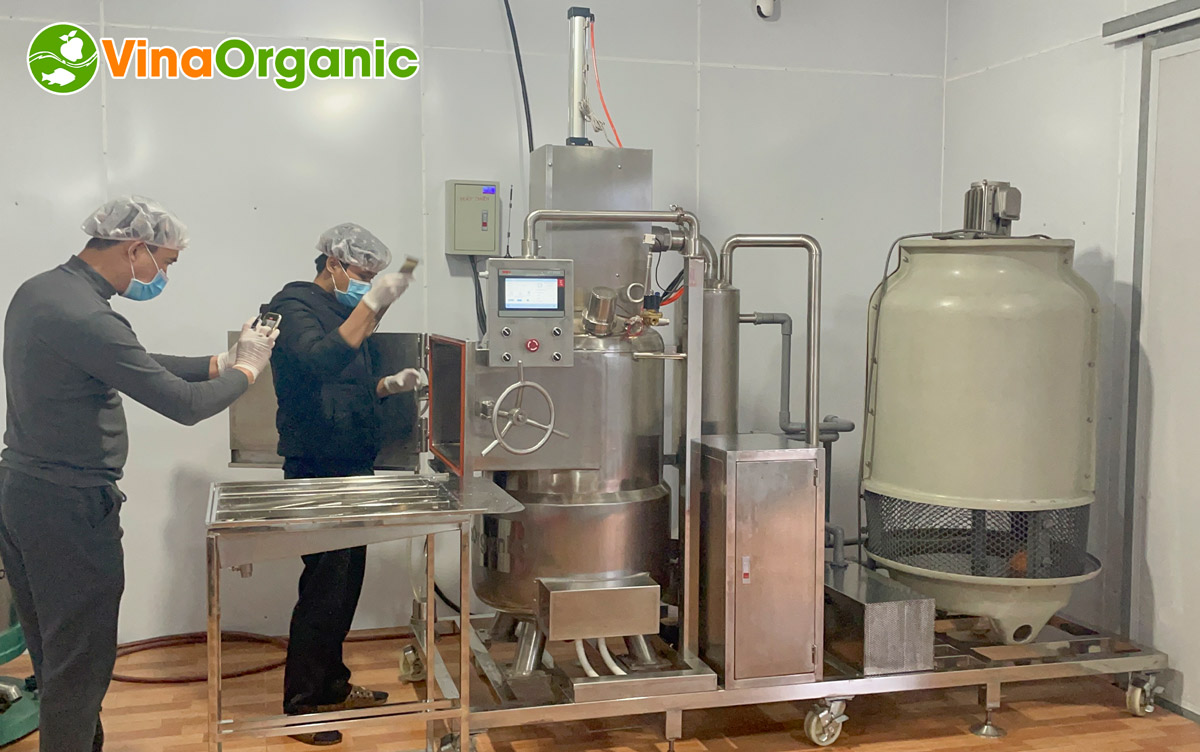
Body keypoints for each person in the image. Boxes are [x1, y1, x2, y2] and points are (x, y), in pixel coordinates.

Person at [0, 196, 278, 752]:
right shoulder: (86, 315)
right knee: (80, 667)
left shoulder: (43, 292)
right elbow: (184, 405)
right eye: (165, 263)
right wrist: (247, 370)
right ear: (135, 249)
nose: (163, 276)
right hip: (69, 508)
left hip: (24, 493)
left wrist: (216, 363)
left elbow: (130, 360)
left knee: (58, 658)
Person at [267, 223, 419, 746]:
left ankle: (332, 685)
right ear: (332, 263)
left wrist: (388, 385)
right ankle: (302, 705)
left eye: (374, 278)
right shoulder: (293, 307)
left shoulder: (339, 312)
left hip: (352, 463)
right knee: (323, 587)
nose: (366, 283)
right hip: (317, 465)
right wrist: (372, 305)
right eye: (361, 273)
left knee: (345, 585)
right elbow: (320, 360)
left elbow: (348, 384)